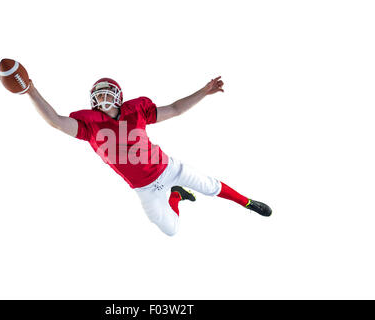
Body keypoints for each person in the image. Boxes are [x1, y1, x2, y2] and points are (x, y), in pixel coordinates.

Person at [27, 76, 271, 236]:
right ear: (92, 100)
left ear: (118, 95)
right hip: (144, 189)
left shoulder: (136, 111)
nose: (102, 97)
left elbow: (175, 109)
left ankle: (248, 203)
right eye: (98, 94)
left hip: (169, 169)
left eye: (106, 92)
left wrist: (204, 91)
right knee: (171, 230)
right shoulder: (88, 125)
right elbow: (56, 122)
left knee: (210, 186)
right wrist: (31, 90)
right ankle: (175, 195)